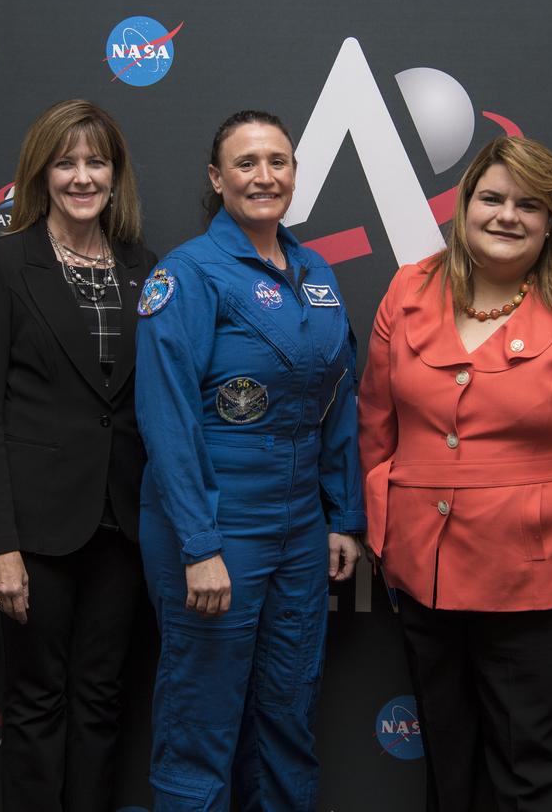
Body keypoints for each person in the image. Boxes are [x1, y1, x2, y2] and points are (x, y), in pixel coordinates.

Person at [358, 135, 552, 811]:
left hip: (543, 584)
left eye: (528, 204)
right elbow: (376, 420)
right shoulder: (410, 288)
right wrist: (383, 525)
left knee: (534, 777)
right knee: (449, 766)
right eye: (491, 198)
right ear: (464, 208)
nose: (507, 215)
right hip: (425, 576)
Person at [134, 109, 365, 811]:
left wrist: (342, 514)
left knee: (288, 711)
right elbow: (167, 419)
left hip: (299, 528)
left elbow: (338, 398)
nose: (264, 176)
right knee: (201, 718)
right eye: (246, 162)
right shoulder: (188, 274)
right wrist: (200, 545)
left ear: (295, 172)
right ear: (217, 177)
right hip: (214, 526)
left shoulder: (315, 270)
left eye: (278, 161)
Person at [0, 99, 156, 811]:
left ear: (115, 173)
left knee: (102, 700)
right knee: (36, 702)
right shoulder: (1, 264)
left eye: (96, 161)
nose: (81, 176)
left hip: (123, 523)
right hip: (36, 530)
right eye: (65, 161)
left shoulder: (144, 267)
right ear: (40, 173)